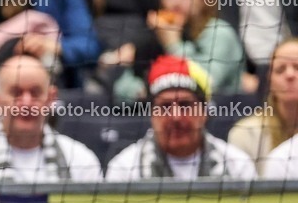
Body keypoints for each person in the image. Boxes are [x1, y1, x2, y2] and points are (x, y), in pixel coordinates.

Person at [0, 54, 102, 182]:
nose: (26, 104)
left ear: (51, 98)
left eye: (35, 92)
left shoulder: (80, 160)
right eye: (16, 93)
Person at [105, 55, 257, 180]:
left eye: (185, 105)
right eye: (165, 107)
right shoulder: (124, 169)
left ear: (205, 112)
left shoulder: (237, 166)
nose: (176, 116)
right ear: (151, 114)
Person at [111, 0, 245, 103]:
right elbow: (121, 91)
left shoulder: (219, 32)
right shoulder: (156, 35)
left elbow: (206, 81)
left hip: (221, 114)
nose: (175, 2)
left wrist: (173, 44)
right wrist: (150, 90)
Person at [229, 38, 298, 174]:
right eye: (280, 70)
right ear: (269, 81)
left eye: (297, 67)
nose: (290, 75)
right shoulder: (245, 133)